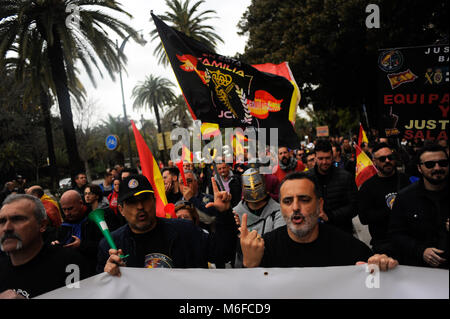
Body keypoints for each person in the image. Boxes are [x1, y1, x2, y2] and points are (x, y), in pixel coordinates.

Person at [239, 172, 399, 271]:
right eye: (287, 201)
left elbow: (373, 287)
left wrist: (380, 267)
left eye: (304, 199)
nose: (295, 207)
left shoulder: (349, 248)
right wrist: (249, 265)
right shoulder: (264, 248)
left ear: (319, 204)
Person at [98, 175, 237, 275]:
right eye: (132, 202)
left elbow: (223, 254)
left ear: (154, 201)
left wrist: (224, 214)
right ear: (121, 209)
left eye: (145, 199)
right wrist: (108, 276)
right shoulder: (110, 246)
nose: (140, 206)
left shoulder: (185, 231)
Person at [0, 194, 90, 299]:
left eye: (18, 219)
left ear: (42, 225)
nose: (7, 228)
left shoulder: (69, 264)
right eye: (2, 221)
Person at [389, 144, 449, 268]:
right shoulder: (405, 197)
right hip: (419, 269)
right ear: (419, 168)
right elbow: (396, 234)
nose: (437, 168)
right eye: (430, 164)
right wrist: (421, 251)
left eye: (442, 163)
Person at [357, 143, 410, 255]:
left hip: (408, 241)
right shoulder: (368, 187)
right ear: (374, 161)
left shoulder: (404, 179)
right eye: (382, 159)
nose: (387, 161)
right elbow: (364, 218)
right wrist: (391, 210)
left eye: (390, 157)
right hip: (383, 244)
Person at [233, 168, 285, 267]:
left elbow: (279, 245)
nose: (253, 190)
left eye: (257, 185)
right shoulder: (235, 213)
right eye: (249, 186)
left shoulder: (279, 212)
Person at [306, 139, 358, 234]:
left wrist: (330, 216)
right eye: (321, 158)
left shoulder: (345, 177)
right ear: (315, 158)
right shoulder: (306, 178)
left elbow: (355, 206)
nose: (324, 162)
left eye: (327, 158)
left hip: (342, 232)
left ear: (332, 157)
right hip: (315, 233)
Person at [52, 190, 104, 273]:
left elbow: (104, 246)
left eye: (70, 209)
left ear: (80, 203)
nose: (67, 213)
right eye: (64, 210)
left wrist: (81, 245)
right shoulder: (64, 226)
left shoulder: (95, 219)